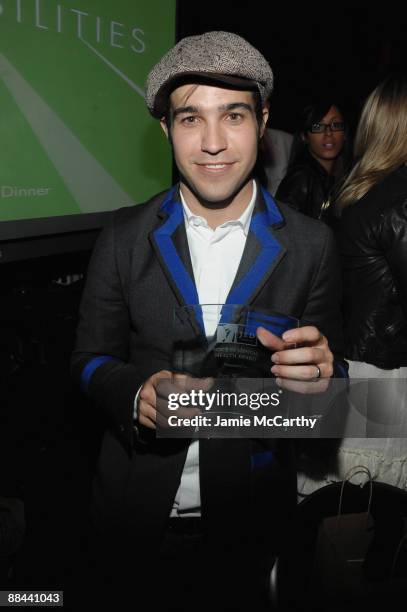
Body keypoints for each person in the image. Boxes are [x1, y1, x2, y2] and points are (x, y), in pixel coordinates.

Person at [71, 31, 346, 611]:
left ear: (263, 121)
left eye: (234, 115)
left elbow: (326, 396)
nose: (214, 143)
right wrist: (136, 394)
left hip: (249, 524)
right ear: (167, 130)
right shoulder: (123, 237)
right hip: (131, 517)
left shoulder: (312, 244)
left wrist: (325, 378)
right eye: (191, 118)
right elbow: (88, 361)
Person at [298, 74, 407, 497]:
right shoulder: (397, 201)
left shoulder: (358, 190)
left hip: (356, 367)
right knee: (369, 522)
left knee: (343, 515)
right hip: (385, 379)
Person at [276, 100, 349, 223]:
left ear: (345, 133)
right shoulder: (300, 179)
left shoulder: (345, 176)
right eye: (318, 127)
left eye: (335, 125)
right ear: (304, 136)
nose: (329, 133)